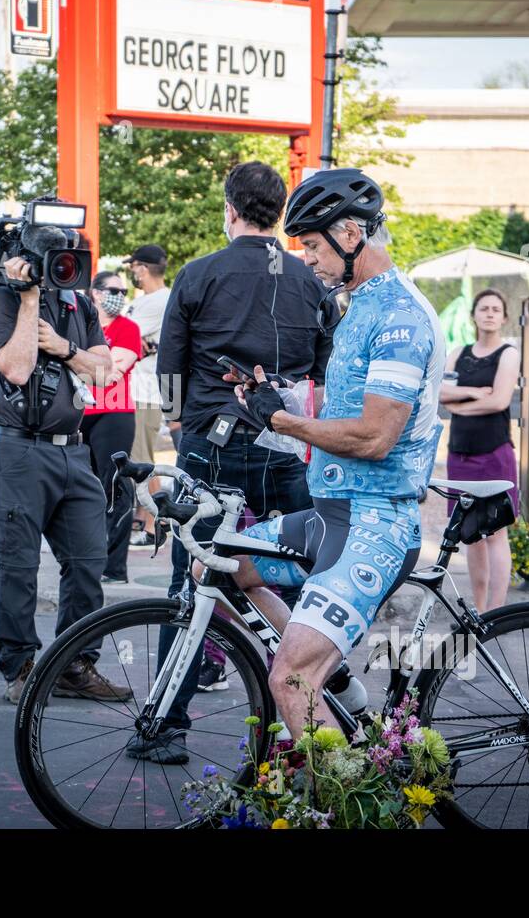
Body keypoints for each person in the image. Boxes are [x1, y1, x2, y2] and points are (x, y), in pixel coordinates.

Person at [220, 167, 445, 741]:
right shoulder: (357, 307)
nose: (309, 260)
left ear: (350, 235)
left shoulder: (398, 317)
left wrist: (282, 419)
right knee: (222, 564)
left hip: (372, 521)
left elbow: (374, 437)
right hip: (332, 514)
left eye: (314, 246)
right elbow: (338, 416)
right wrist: (276, 402)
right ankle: (345, 691)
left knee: (290, 677)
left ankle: (349, 802)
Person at [142, 160, 332, 763]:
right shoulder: (310, 282)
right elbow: (324, 372)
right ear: (277, 213)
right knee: (303, 577)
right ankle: (307, 720)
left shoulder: (198, 276)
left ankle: (168, 724)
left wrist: (179, 425)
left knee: (192, 579)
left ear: (229, 209)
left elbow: (169, 364)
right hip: (284, 440)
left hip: (212, 443)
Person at [0, 239, 133, 705]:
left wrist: (66, 348)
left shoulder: (78, 304)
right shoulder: (4, 297)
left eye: (71, 258)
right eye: (55, 259)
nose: (64, 268)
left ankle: (74, 665)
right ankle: (21, 667)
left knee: (90, 562)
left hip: (74, 452)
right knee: (18, 567)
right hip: (17, 449)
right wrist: (28, 298)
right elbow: (16, 368)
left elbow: (105, 373)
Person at [438, 288, 521, 612]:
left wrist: (461, 405)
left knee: (495, 533)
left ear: (503, 317)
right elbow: (441, 393)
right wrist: (474, 392)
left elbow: (499, 401)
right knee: (471, 535)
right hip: (460, 455)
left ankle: (496, 613)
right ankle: (479, 608)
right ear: (473, 315)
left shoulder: (508, 354)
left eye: (495, 309)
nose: (489, 313)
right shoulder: (459, 352)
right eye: (483, 308)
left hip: (494, 454)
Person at [82, 271, 142, 584]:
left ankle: (114, 567)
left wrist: (81, 363)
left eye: (123, 289)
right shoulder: (80, 322)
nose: (118, 294)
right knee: (82, 486)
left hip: (114, 412)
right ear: (94, 292)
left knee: (115, 484)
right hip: (79, 412)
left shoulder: (128, 328)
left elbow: (112, 370)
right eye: (112, 289)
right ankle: (86, 556)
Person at [123, 244, 171, 548]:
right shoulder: (146, 301)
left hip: (145, 392)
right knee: (137, 460)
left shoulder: (158, 301)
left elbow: (116, 332)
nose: (131, 273)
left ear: (142, 268)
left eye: (133, 267)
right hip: (138, 391)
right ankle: (144, 520)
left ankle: (155, 525)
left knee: (142, 462)